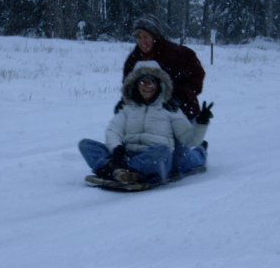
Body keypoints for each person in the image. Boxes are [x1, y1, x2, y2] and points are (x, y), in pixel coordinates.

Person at [79, 61, 214, 184]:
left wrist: (201, 123)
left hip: (153, 157)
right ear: (136, 84)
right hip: (127, 155)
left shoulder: (170, 109)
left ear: (159, 84)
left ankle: (121, 171)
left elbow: (189, 140)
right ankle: (120, 172)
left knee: (162, 151)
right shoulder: (127, 108)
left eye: (152, 82)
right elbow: (113, 131)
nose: (147, 86)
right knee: (86, 145)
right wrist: (116, 148)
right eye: (143, 81)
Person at [119, 15, 205, 120]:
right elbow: (129, 85)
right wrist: (124, 101)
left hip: (183, 113)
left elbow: (197, 78)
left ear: (155, 36)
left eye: (146, 37)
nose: (142, 42)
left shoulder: (179, 53)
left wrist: (180, 96)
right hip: (153, 118)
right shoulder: (134, 59)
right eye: (139, 37)